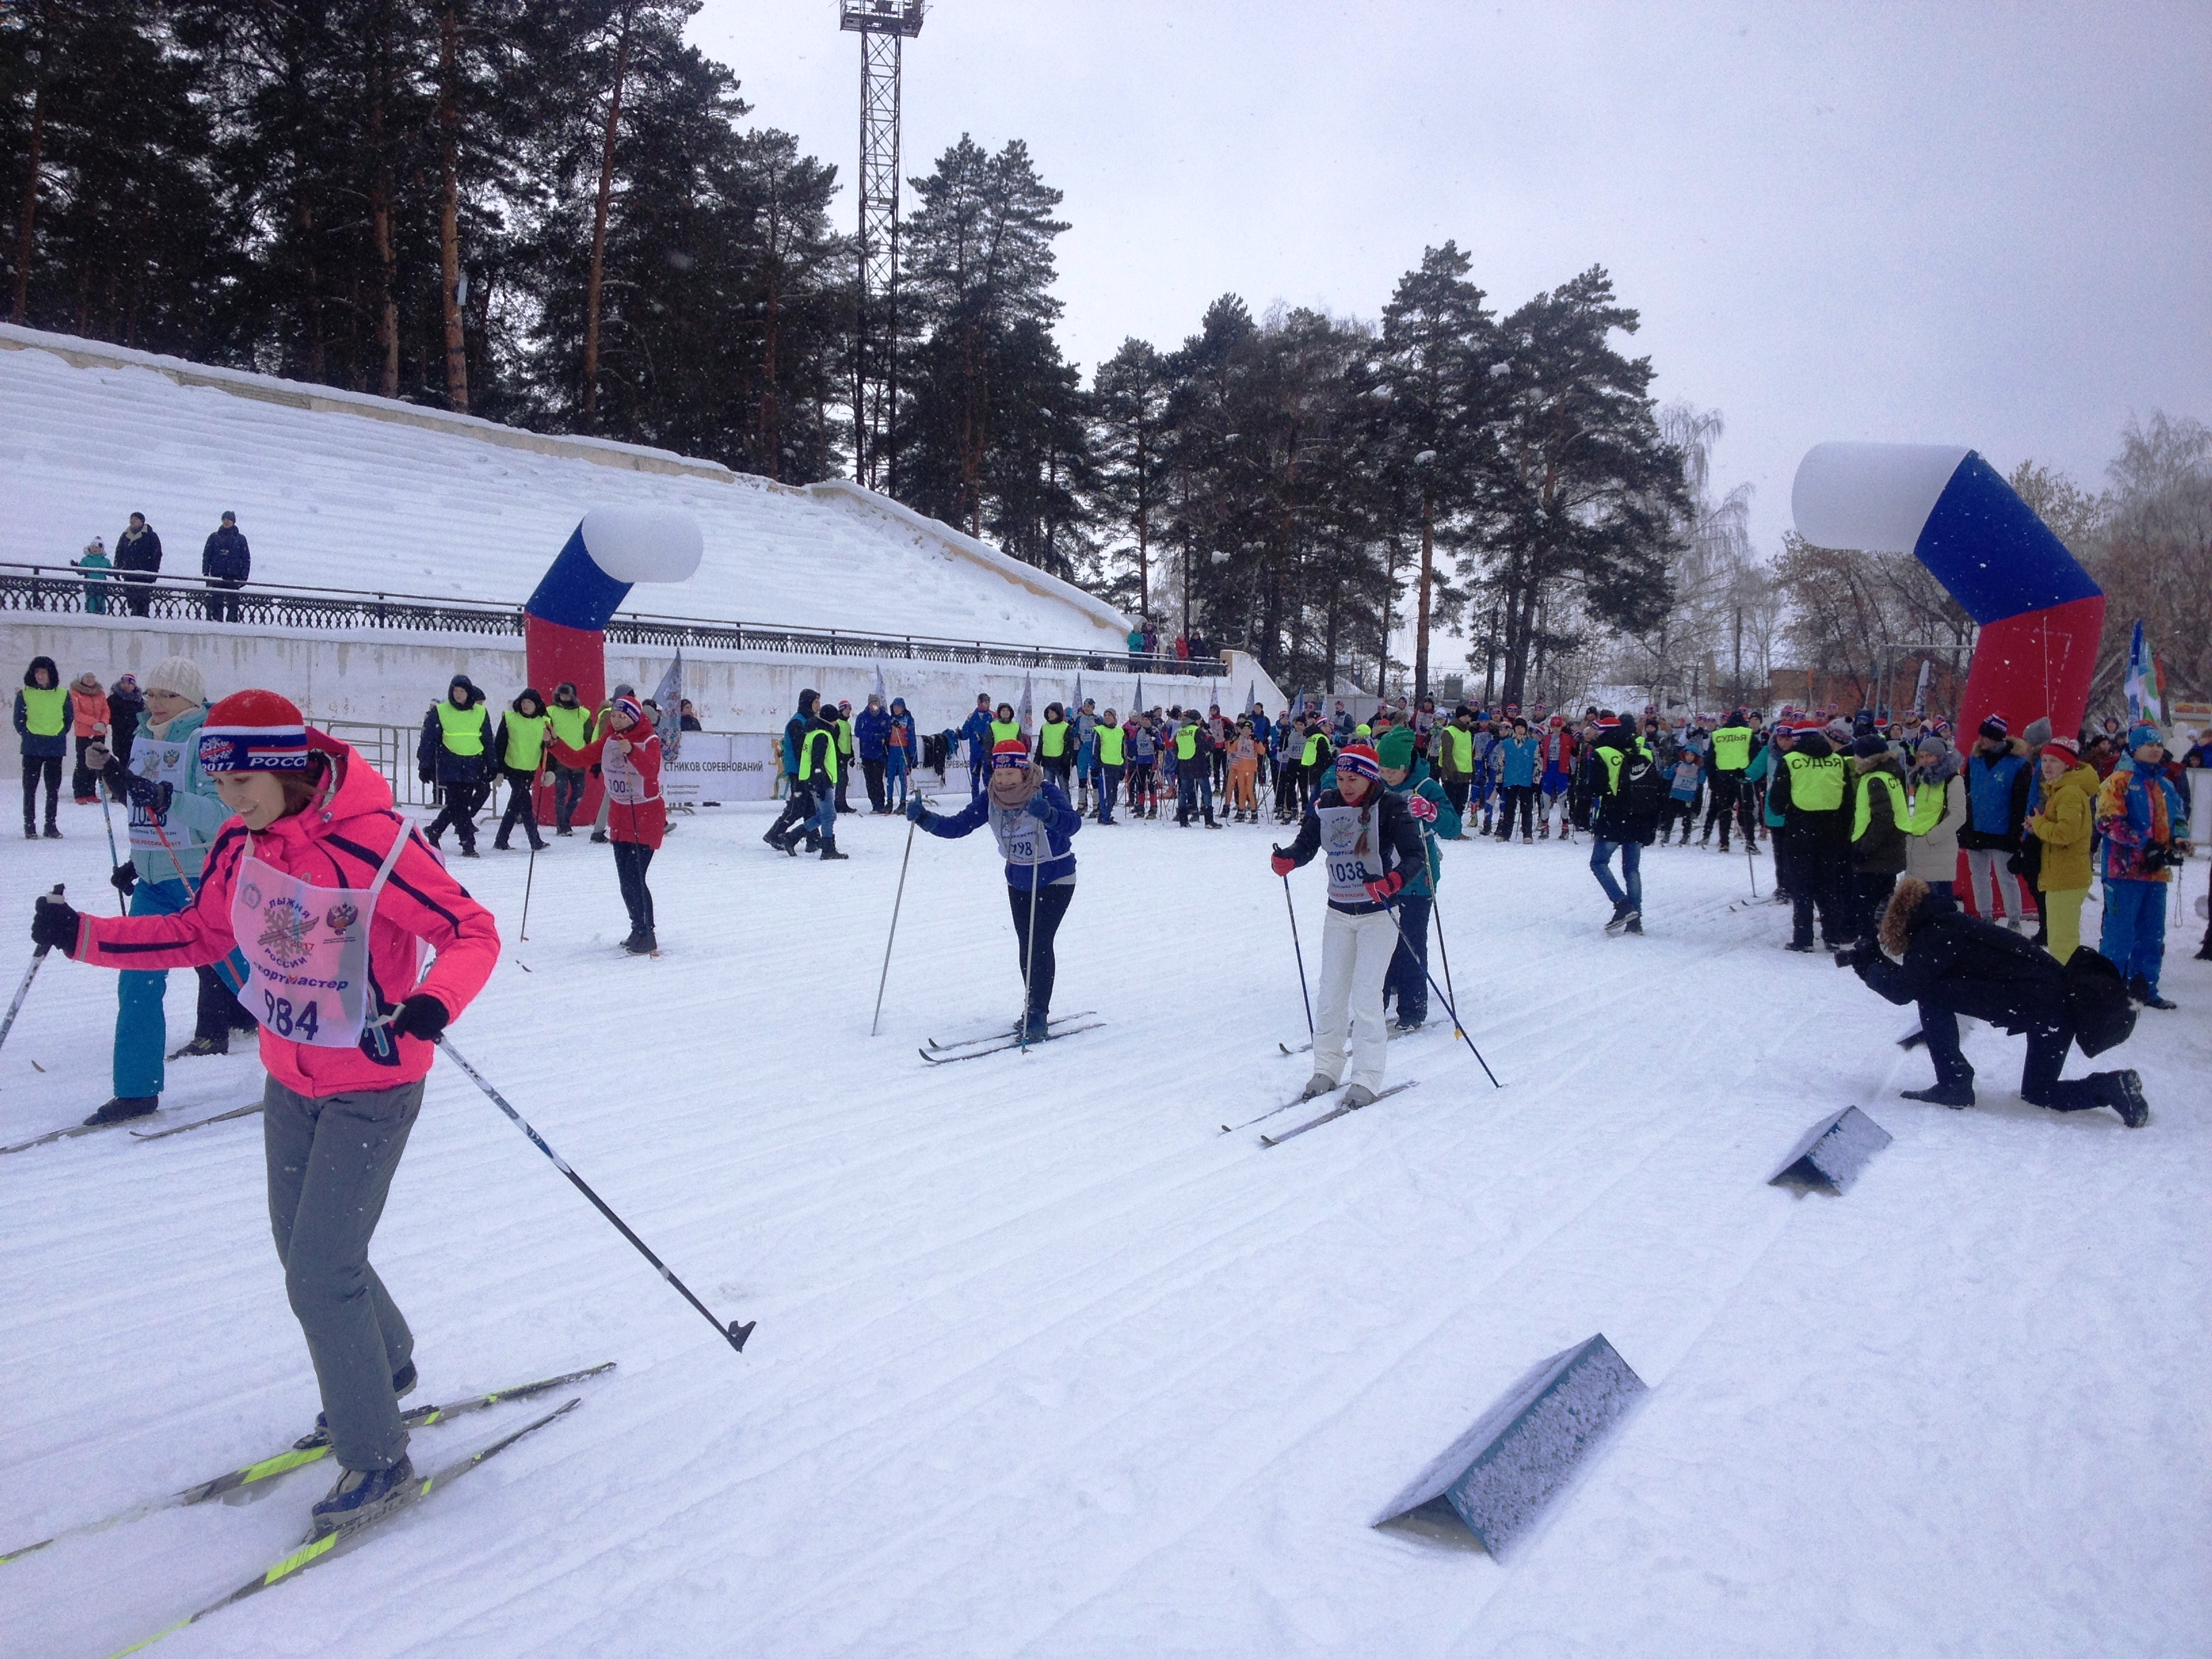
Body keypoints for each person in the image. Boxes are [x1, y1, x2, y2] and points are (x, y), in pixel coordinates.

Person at [34, 689, 499, 1532]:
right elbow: (202, 935)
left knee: (320, 1272)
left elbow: (471, 931)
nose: (231, 798)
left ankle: (377, 1458)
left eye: (243, 779)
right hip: (290, 1078)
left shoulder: (375, 842)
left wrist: (433, 1002)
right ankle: (385, 1366)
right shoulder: (239, 846)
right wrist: (86, 935)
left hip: (374, 1084)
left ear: (285, 768)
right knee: (307, 1252)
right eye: (221, 780)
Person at [1842, 878, 2146, 1126]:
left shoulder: (1935, 935)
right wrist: (1873, 962)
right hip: (2056, 1003)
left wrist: (1867, 967)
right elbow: (1912, 979)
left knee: (1932, 994)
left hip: (2042, 1006)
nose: (1883, 938)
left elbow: (1904, 990)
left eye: (1883, 931)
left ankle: (1955, 1083)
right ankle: (2112, 1086)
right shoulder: (1943, 925)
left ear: (1898, 922)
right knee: (2039, 1092)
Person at [1271, 742, 1425, 1107]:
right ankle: (1326, 1067)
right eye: (1341, 778)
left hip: (1378, 915)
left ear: (1370, 777)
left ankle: (1368, 1077)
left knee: (1367, 994)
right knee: (1331, 992)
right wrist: (1288, 859)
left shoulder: (1389, 806)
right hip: (1338, 912)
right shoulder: (1327, 803)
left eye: (1353, 778)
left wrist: (1393, 882)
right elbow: (1307, 845)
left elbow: (1416, 854)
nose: (1346, 786)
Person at [907, 739, 1082, 1044]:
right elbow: (958, 826)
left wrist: (1050, 815)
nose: (1003, 781)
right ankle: (1032, 1006)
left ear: (1023, 770)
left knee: (1039, 941)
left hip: (1054, 875)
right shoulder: (990, 797)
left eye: (1009, 775)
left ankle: (1038, 1013)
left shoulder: (1044, 791)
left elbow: (1073, 824)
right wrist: (925, 818)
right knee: (1026, 943)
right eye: (998, 775)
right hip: (1018, 878)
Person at [2095, 723, 2189, 1009]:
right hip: (2124, 871)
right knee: (2119, 933)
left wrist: (2179, 839)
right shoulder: (2118, 780)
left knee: (2152, 934)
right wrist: (2143, 845)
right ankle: (2107, 991)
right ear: (2134, 748)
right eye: (2149, 745)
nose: (2155, 749)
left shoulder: (2166, 784)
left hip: (2156, 871)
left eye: (2159, 744)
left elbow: (2178, 816)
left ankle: (2145, 987)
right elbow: (2107, 822)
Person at [1375, 726, 1460, 1030]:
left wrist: (1432, 812)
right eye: (1380, 769)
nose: (1386, 776)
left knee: (1411, 942)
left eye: (1391, 771)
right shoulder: (1378, 785)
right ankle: (1375, 1004)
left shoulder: (1425, 785)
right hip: (1383, 876)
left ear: (1405, 766)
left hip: (1418, 879)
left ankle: (1412, 1009)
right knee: (1380, 943)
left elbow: (1453, 826)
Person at [574, 694, 668, 952]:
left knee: (636, 878)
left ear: (634, 717)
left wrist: (632, 751)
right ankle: (637, 928)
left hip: (646, 817)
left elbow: (651, 770)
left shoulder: (650, 739)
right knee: (626, 881)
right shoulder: (610, 740)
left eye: (622, 716)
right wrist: (553, 744)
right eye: (613, 716)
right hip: (620, 816)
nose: (616, 721)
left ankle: (647, 933)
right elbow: (577, 759)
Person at [1775, 720, 1854, 951]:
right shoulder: (1837, 761)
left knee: (1802, 887)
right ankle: (1832, 936)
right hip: (1831, 832)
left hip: (1799, 829)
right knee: (1828, 885)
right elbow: (1848, 801)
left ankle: (1803, 938)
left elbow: (1777, 804)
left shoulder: (1790, 761)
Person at [2025, 735, 2097, 965]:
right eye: (2045, 760)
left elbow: (2065, 833)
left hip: (2066, 876)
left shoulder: (2069, 792)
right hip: (2062, 874)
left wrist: (2039, 824)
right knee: (2061, 938)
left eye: (2054, 761)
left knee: (2062, 941)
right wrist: (2039, 826)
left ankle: (2067, 988)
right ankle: (2066, 986)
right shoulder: (2061, 790)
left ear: (2068, 765)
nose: (2047, 766)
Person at [1958, 716, 2032, 929]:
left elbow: (2021, 800)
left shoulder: (2018, 764)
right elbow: (1966, 791)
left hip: (2003, 829)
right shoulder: (1975, 759)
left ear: (1998, 739)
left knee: (2006, 876)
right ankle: (1985, 915)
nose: (1981, 741)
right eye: (1981, 736)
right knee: (1979, 874)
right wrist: (1965, 822)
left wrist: (2016, 830)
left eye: (1987, 737)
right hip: (1976, 827)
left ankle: (2014, 919)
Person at [1586, 715, 1659, 934]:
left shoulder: (1603, 753)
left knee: (1598, 862)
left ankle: (1622, 904)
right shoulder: (1644, 752)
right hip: (1639, 815)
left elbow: (1597, 788)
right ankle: (1635, 920)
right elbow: (1654, 786)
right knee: (1632, 869)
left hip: (1614, 815)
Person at [417, 674, 492, 856]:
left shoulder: (481, 712)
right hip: (450, 764)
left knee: (457, 804)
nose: (458, 694)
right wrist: (425, 765)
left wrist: (492, 764)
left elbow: (488, 739)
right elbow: (428, 740)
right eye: (455, 691)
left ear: (469, 692)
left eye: (462, 691)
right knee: (460, 804)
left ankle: (435, 829)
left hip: (473, 763)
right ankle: (468, 843)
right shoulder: (441, 711)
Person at [1845, 733, 1910, 943]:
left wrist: (1864, 848)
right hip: (1891, 850)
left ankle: (1868, 944)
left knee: (1867, 904)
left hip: (1876, 854)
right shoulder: (1890, 775)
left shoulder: (1874, 779)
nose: (1854, 758)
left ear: (1866, 757)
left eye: (1856, 754)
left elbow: (1883, 818)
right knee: (1884, 902)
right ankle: (1885, 939)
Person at [1902, 733, 1965, 900]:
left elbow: (1958, 815)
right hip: (1917, 846)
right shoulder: (1920, 779)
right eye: (1921, 756)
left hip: (1939, 847)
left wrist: (1932, 837)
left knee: (1940, 903)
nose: (1925, 760)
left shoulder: (1953, 779)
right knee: (1919, 902)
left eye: (1929, 756)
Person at [16, 655, 70, 838]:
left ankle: (51, 825)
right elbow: (19, 720)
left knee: (53, 788)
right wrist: (28, 733)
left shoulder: (62, 693)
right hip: (32, 748)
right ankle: (30, 826)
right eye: (37, 672)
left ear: (50, 674)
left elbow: (68, 718)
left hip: (55, 747)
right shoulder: (25, 694)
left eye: (43, 672)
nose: (40, 676)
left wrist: (60, 732)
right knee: (30, 788)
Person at [489, 688, 551, 853]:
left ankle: (501, 839)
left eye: (529, 703)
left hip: (529, 768)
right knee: (525, 804)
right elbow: (500, 745)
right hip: (512, 767)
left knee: (515, 805)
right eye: (523, 702)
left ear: (536, 705)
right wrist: (499, 770)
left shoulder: (544, 721)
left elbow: (548, 748)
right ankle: (535, 840)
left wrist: (548, 769)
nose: (525, 705)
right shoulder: (510, 718)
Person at [764, 689, 825, 853]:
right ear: (808, 703)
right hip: (798, 770)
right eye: (816, 703)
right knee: (797, 807)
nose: (819, 706)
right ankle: (774, 834)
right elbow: (801, 750)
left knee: (809, 806)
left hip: (804, 770)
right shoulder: (797, 722)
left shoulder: (808, 720)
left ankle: (813, 839)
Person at [1702, 709, 1757, 851]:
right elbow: (1756, 754)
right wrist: (1753, 774)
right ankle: (1750, 841)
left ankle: (1724, 842)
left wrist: (1712, 779)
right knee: (1747, 810)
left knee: (1724, 810)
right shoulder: (1748, 734)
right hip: (1743, 776)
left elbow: (1709, 759)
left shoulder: (1718, 735)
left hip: (1723, 777)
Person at [544, 682, 593, 836]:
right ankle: (562, 825)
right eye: (562, 694)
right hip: (559, 759)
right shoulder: (550, 711)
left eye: (567, 694)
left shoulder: (584, 713)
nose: (565, 697)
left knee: (578, 793)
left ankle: (564, 822)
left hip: (579, 758)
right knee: (561, 793)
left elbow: (589, 736)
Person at [201, 510, 251, 622]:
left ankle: (231, 625)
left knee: (233, 606)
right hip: (217, 576)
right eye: (224, 519)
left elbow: (246, 559)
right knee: (216, 604)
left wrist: (243, 577)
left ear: (233, 522)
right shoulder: (214, 537)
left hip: (233, 577)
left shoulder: (240, 539)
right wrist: (206, 573)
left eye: (229, 519)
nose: (226, 521)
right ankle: (217, 623)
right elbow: (207, 556)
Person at [69, 670, 110, 804]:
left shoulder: (100, 693)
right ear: (81, 679)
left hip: (99, 733)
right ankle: (80, 792)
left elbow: (106, 710)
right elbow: (77, 713)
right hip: (84, 733)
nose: (90, 679)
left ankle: (91, 792)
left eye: (92, 676)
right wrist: (94, 723)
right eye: (87, 677)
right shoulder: (75, 693)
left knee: (96, 763)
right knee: (82, 762)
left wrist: (103, 722)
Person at [1173, 711, 1218, 828]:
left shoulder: (1180, 732)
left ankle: (1183, 820)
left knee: (1183, 793)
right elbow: (1205, 747)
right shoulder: (1197, 731)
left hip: (1184, 765)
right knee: (1206, 792)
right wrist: (1211, 741)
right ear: (1195, 720)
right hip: (1198, 764)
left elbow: (1175, 749)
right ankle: (1209, 820)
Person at [1434, 706, 1475, 835]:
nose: (1468, 718)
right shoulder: (1449, 731)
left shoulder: (1468, 733)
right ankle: (1448, 830)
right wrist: (1453, 771)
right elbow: (1447, 754)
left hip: (1465, 773)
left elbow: (1469, 753)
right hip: (1452, 774)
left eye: (1469, 716)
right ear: (1460, 716)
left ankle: (1457, 830)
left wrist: (1472, 771)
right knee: (1451, 804)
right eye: (1466, 716)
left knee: (1461, 804)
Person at [1495, 717, 1537, 842]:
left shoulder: (1533, 744)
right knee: (1509, 807)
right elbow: (1501, 763)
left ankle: (1527, 834)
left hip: (1526, 780)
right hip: (1510, 779)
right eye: (1518, 727)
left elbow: (1537, 763)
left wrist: (1536, 781)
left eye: (1522, 727)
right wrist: (1499, 780)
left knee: (1526, 808)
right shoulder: (1507, 744)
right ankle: (1506, 833)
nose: (1520, 730)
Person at [114, 512, 161, 617]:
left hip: (144, 575)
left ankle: (142, 618)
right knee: (131, 600)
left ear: (142, 522)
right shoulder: (125, 535)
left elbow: (156, 555)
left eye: (136, 519)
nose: (133, 521)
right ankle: (134, 616)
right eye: (131, 519)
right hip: (129, 574)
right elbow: (119, 553)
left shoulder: (150, 536)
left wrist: (153, 573)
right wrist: (117, 568)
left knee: (143, 601)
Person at [1537, 714, 1576, 840]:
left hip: (1561, 771)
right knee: (1546, 800)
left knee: (1562, 800)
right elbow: (1542, 754)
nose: (1556, 729)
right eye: (1553, 726)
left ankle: (1565, 827)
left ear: (1562, 726)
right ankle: (1545, 827)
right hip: (1548, 771)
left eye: (1558, 726)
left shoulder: (1567, 738)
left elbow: (1575, 752)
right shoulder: (1547, 739)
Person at [855, 691, 893, 814]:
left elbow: (889, 731)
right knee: (869, 780)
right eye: (872, 703)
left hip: (880, 753)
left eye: (876, 702)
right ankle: (874, 804)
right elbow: (858, 732)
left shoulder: (885, 717)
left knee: (878, 779)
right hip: (867, 753)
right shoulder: (862, 716)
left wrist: (882, 736)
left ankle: (881, 803)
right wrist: (872, 737)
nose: (874, 705)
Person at [105, 672, 144, 779]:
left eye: (129, 683)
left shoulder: (139, 700)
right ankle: (122, 788)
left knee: (135, 761)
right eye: (123, 682)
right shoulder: (113, 699)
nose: (126, 685)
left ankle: (133, 785)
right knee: (122, 760)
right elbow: (107, 715)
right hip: (120, 735)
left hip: (135, 735)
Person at [1093, 708, 1124, 825]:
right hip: (1104, 765)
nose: (1107, 717)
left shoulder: (1120, 731)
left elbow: (1123, 751)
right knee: (1106, 793)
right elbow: (1094, 750)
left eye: (1110, 715)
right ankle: (1105, 816)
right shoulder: (1099, 730)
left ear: (1114, 718)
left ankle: (1106, 814)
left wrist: (1123, 767)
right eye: (1105, 715)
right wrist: (1095, 766)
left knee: (1113, 793)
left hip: (1116, 765)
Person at [1038, 702, 1075, 798]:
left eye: (1052, 712)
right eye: (1049, 712)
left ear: (1058, 713)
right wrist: (1036, 761)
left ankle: (1067, 809)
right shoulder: (1044, 727)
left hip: (1061, 764)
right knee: (1048, 789)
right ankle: (1050, 809)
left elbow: (1069, 747)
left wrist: (1066, 763)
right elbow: (1040, 745)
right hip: (1047, 763)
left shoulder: (1066, 727)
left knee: (1064, 790)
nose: (1050, 714)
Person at [885, 696, 915, 811]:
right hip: (892, 749)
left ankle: (903, 802)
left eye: (899, 707)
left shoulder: (908, 719)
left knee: (903, 777)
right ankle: (889, 802)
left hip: (903, 749)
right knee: (890, 777)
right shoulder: (891, 719)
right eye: (894, 707)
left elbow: (911, 736)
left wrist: (912, 754)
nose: (896, 709)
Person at [73, 537, 112, 615]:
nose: (95, 549)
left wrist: (115, 570)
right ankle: (91, 613)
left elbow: (110, 572)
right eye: (93, 547)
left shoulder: (105, 561)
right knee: (91, 601)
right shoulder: (86, 560)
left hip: (101, 585)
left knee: (101, 600)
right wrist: (77, 567)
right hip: (89, 585)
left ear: (101, 549)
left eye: (97, 547)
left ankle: (101, 614)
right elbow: (81, 572)